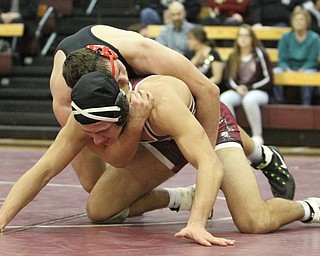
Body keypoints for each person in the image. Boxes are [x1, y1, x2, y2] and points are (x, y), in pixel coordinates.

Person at [1, 60, 318, 247]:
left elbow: (207, 162)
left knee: (253, 220)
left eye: (102, 133)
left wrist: (197, 224)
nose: (96, 144)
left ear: (122, 112)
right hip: (160, 140)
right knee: (99, 209)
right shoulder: (86, 117)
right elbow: (42, 171)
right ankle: (186, 196)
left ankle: (308, 207)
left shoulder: (160, 105)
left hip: (204, 123)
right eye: (90, 134)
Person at [51, 24, 294, 199]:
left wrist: (206, 161)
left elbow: (208, 90)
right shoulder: (66, 100)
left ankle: (261, 155)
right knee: (94, 190)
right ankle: (180, 198)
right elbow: (116, 157)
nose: (124, 80)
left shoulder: (140, 51)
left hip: (178, 101)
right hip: (136, 111)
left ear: (112, 62)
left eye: (121, 79)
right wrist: (132, 126)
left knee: (183, 120)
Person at [220, 24, 273, 145]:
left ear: (252, 38)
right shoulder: (233, 56)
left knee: (249, 99)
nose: (243, 39)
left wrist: (250, 87)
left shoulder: (260, 54)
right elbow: (228, 78)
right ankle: (233, 133)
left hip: (259, 91)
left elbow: (268, 79)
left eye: (246, 36)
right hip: (239, 90)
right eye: (240, 36)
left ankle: (257, 135)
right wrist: (237, 88)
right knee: (224, 98)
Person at [273, 9, 320, 105]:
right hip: (289, 66)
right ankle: (278, 102)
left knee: (308, 75)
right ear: (292, 22)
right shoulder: (286, 37)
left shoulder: (315, 38)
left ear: (307, 22)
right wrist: (287, 69)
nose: (298, 22)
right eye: (296, 19)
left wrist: (303, 69)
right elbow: (282, 58)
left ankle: (306, 104)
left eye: (301, 19)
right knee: (276, 72)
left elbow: (313, 59)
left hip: (307, 67)